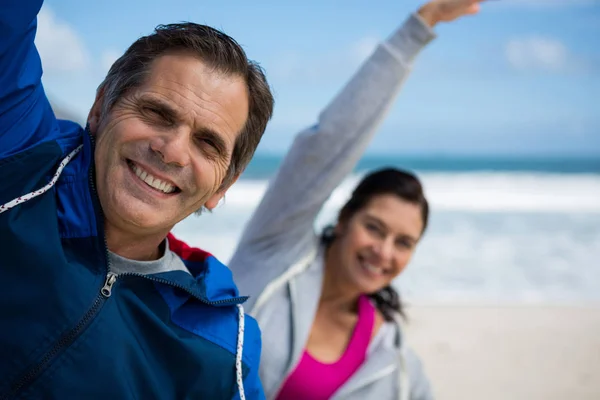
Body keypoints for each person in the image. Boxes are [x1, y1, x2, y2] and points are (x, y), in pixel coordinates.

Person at [0, 1, 273, 399]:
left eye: (207, 142)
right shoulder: (21, 155)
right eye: (156, 113)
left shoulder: (223, 344)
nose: (173, 151)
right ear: (100, 107)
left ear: (223, 186)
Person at [221, 1, 483, 399]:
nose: (383, 251)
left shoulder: (393, 361)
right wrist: (419, 28)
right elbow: (326, 144)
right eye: (374, 228)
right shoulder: (276, 249)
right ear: (344, 219)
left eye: (404, 243)